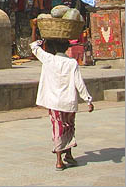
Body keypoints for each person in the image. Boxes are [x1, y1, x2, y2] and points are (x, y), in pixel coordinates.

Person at [30, 19, 94, 171]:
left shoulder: (48, 59)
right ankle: (69, 155)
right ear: (66, 48)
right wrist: (88, 100)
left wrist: (34, 29)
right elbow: (80, 83)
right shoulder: (72, 63)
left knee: (58, 128)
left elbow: (34, 46)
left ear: (51, 48)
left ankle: (59, 159)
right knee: (69, 127)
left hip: (54, 102)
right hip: (69, 102)